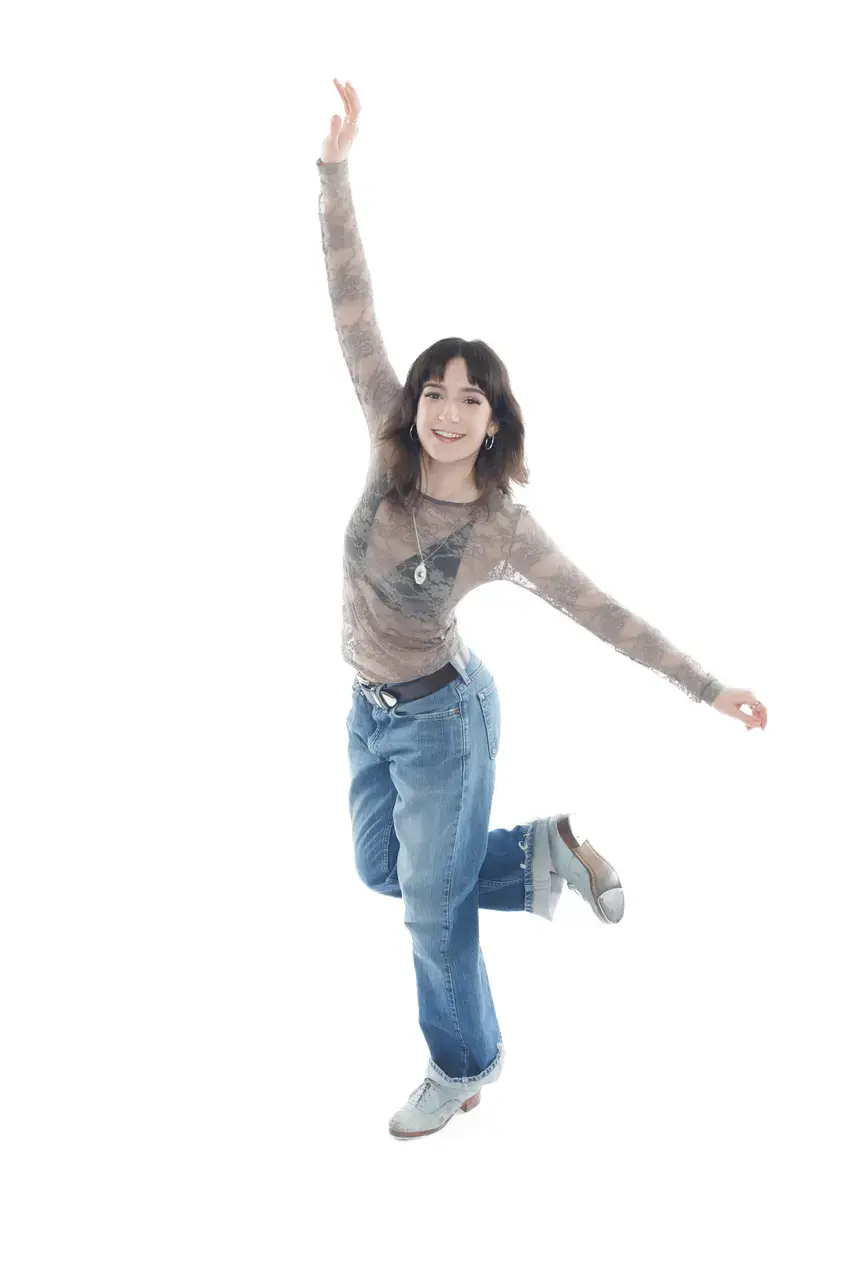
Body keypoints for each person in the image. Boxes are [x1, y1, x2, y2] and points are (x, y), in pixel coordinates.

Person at [316, 79, 768, 1142]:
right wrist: (334, 172)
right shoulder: (389, 444)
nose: (444, 407)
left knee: (430, 913)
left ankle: (462, 1061)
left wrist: (709, 686)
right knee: (381, 868)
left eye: (470, 396)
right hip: (369, 711)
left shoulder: (502, 529)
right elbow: (350, 305)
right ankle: (540, 854)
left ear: (494, 419)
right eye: (436, 388)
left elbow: (604, 612)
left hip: (443, 723)